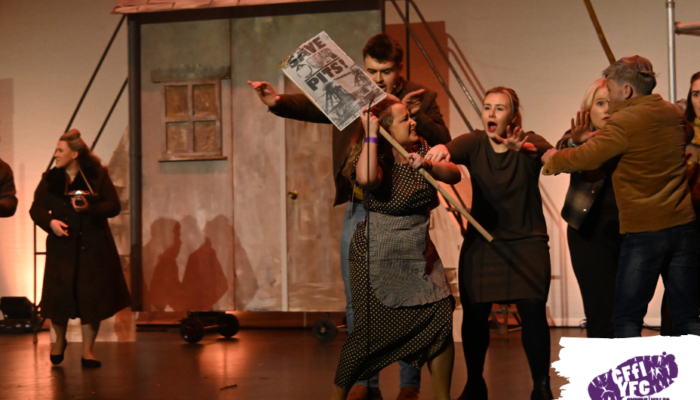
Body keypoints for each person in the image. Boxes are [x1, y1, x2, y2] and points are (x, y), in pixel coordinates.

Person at [249, 33, 451, 400]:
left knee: (413, 296)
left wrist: (414, 114)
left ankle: (409, 384)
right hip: (361, 205)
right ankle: (365, 381)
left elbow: (441, 138)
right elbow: (316, 105)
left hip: (403, 210)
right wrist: (277, 101)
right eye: (371, 71)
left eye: (385, 72)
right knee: (359, 295)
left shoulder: (419, 98)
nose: (377, 79)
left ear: (399, 69)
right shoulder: (356, 93)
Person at [541, 56, 700, 338]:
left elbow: (585, 157)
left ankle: (624, 369)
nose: (611, 100)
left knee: (626, 318)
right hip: (683, 227)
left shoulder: (623, 123)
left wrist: (551, 159)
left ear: (626, 91)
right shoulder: (672, 113)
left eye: (612, 91)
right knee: (687, 316)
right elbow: (686, 131)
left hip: (645, 231)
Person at [427, 87, 555, 400]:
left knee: (533, 311)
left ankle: (541, 387)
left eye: (500, 108)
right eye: (487, 107)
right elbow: (448, 156)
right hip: (484, 243)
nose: (491, 113)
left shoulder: (531, 140)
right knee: (474, 315)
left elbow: (552, 158)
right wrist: (437, 154)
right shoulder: (474, 142)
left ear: (513, 115)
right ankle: (475, 384)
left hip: (527, 242)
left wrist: (526, 149)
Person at [331, 99, 459, 400]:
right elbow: (367, 180)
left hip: (418, 250)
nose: (413, 122)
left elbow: (454, 174)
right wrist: (370, 136)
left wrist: (429, 165)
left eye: (411, 117)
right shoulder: (375, 153)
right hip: (380, 254)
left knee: (440, 316)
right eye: (405, 119)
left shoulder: (421, 147)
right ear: (386, 129)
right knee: (367, 336)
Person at [30, 129, 131, 368]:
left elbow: (114, 206)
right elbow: (36, 209)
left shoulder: (97, 175)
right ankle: (59, 341)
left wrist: (89, 208)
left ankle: (88, 350)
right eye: (56, 150)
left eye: (60, 150)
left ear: (75, 154)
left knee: (91, 297)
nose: (55, 155)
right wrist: (51, 223)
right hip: (62, 245)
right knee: (59, 295)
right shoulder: (50, 179)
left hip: (93, 246)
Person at [557, 79, 621, 338]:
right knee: (600, 311)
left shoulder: (631, 137)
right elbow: (561, 149)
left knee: (626, 312)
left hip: (630, 233)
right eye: (600, 103)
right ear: (588, 109)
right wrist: (577, 143)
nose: (607, 110)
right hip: (588, 235)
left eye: (612, 103)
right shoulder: (576, 137)